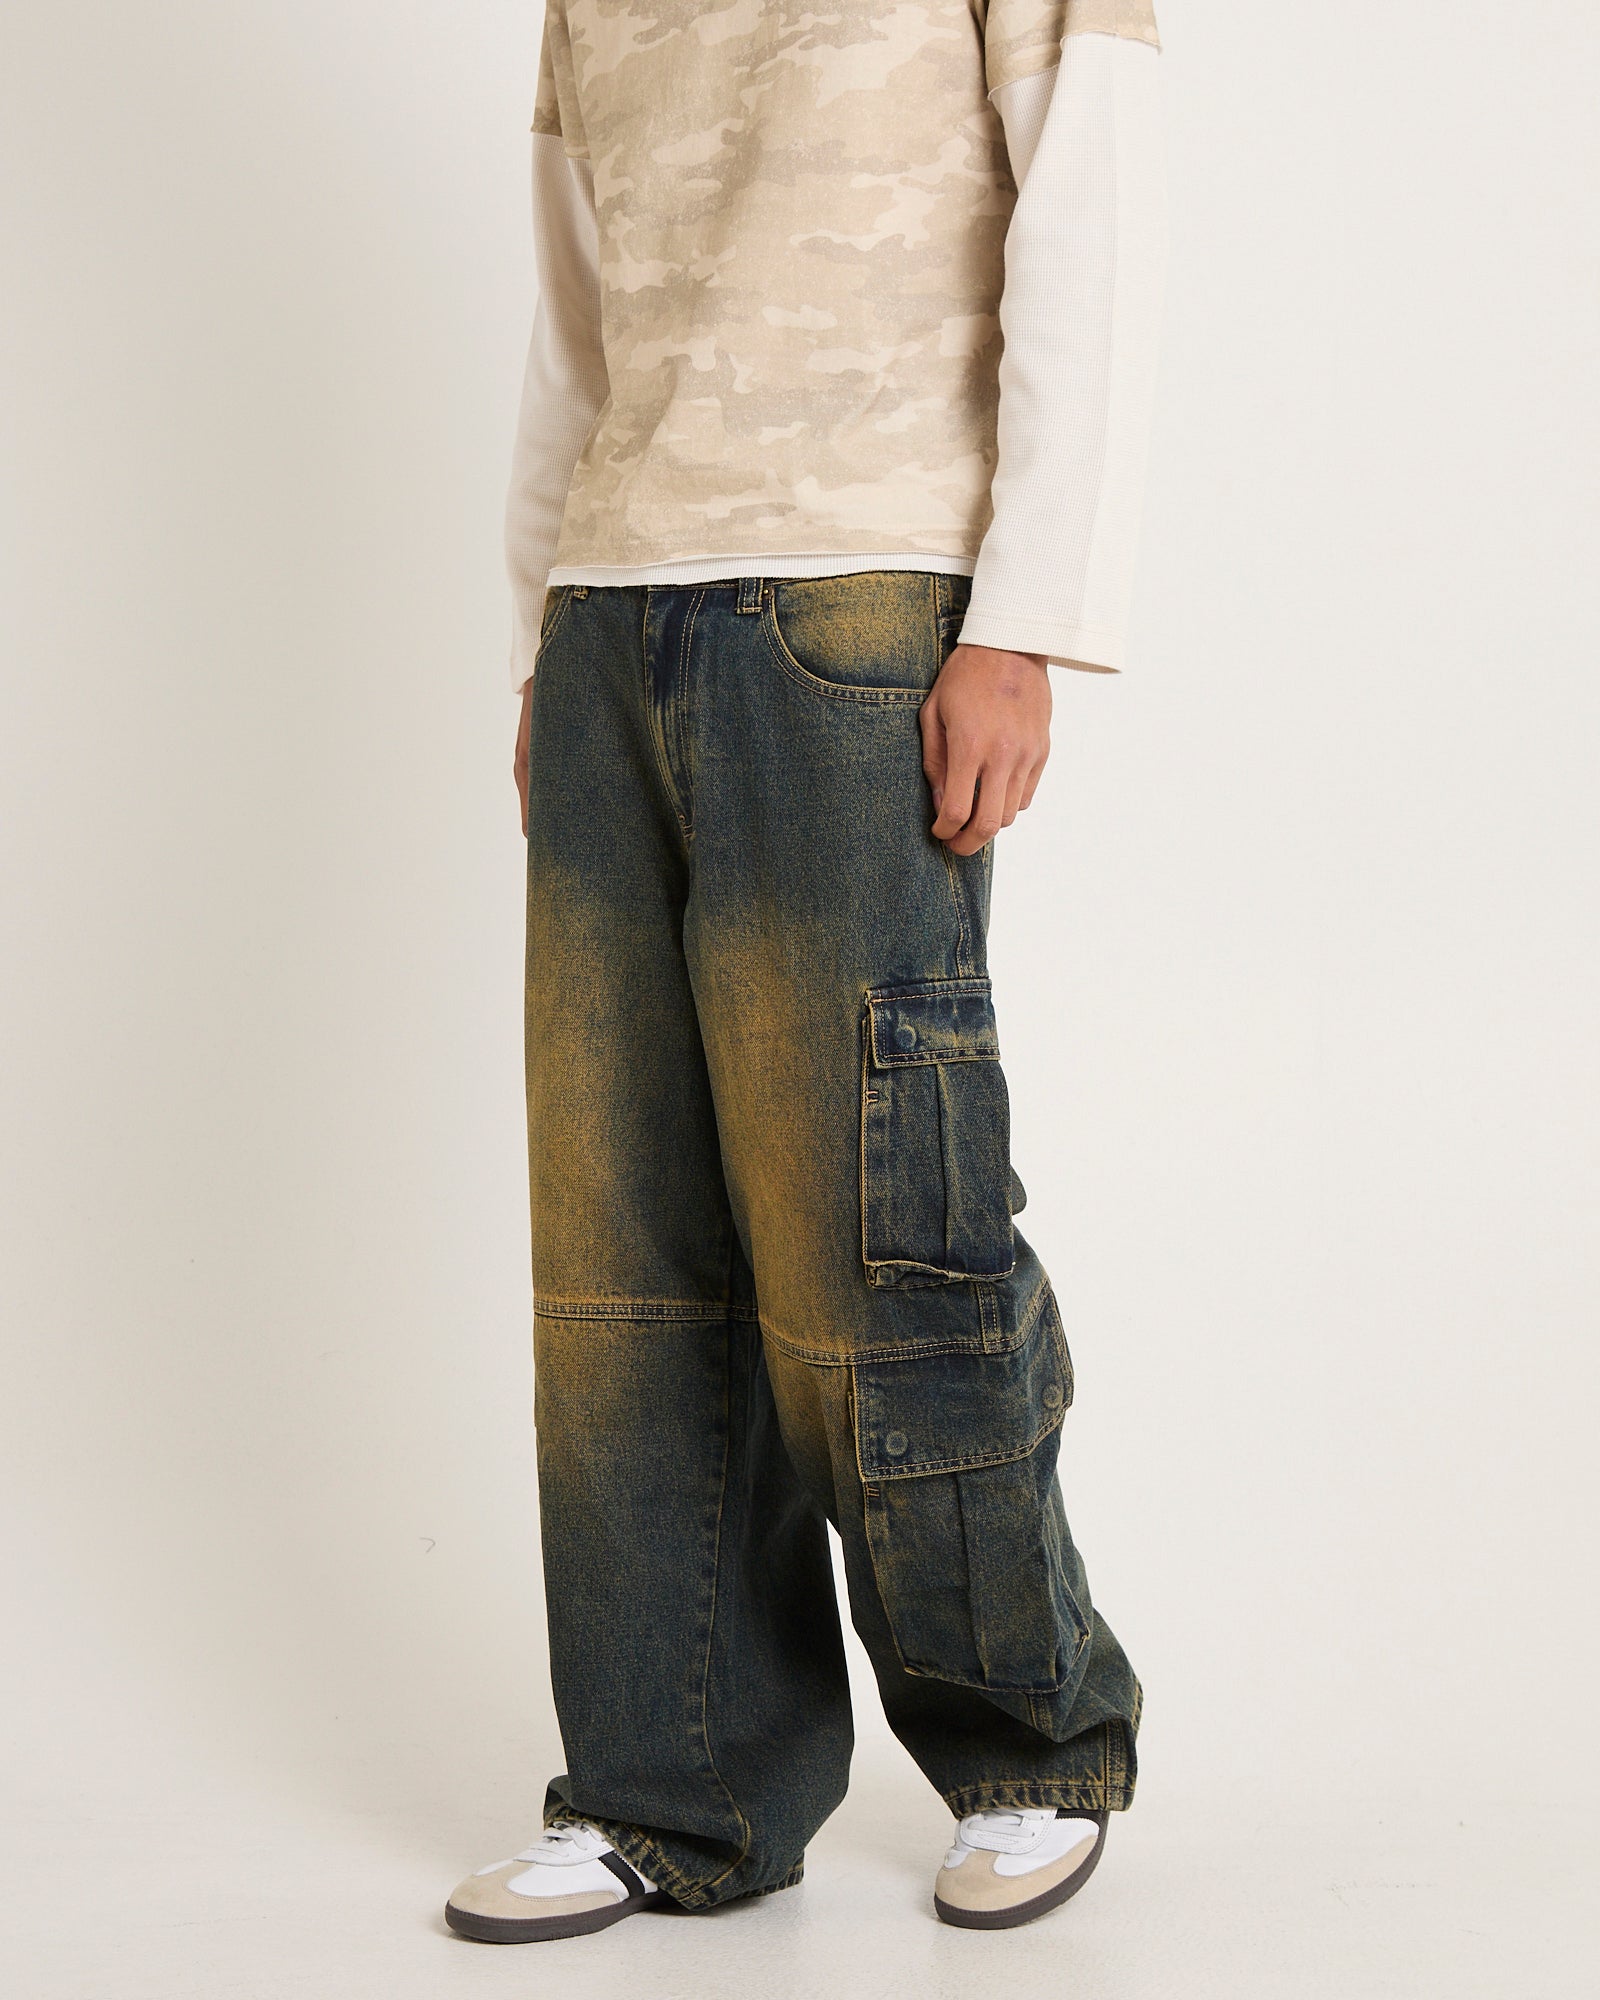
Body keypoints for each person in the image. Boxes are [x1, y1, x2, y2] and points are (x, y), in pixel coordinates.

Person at [445, 0, 1166, 1943]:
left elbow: (1084, 203)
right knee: (620, 1258)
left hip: (860, 583)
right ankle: (668, 1789)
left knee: (877, 1221)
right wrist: (544, 630)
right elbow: (576, 297)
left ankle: (1026, 1743)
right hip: (618, 609)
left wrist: (1022, 618)